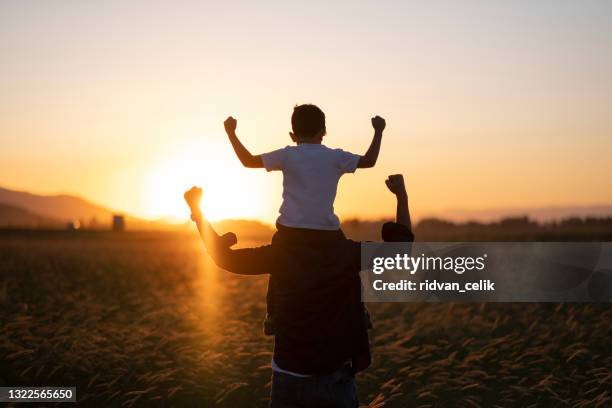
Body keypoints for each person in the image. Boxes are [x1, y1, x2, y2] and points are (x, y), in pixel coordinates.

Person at [184, 174, 413, 408]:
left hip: (289, 375)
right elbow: (401, 251)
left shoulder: (279, 253)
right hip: (335, 377)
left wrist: (198, 213)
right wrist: (401, 197)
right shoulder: (346, 253)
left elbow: (225, 257)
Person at [223, 104, 386, 333]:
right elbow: (369, 160)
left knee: (277, 262)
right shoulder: (335, 156)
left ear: (292, 135)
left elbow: (248, 161)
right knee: (347, 265)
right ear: (324, 132)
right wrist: (378, 131)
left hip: (291, 232)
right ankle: (360, 312)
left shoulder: (287, 155)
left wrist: (231, 133)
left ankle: (273, 315)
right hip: (327, 233)